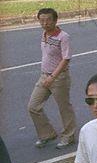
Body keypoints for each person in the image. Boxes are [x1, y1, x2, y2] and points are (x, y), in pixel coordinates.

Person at [28, 8, 76, 149]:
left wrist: (53, 77)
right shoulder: (44, 35)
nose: (45, 23)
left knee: (64, 108)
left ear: (55, 20)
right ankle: (47, 134)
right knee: (33, 107)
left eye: (48, 20)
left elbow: (66, 58)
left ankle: (69, 136)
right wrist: (46, 76)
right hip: (44, 76)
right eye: (42, 20)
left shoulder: (63, 36)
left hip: (59, 77)